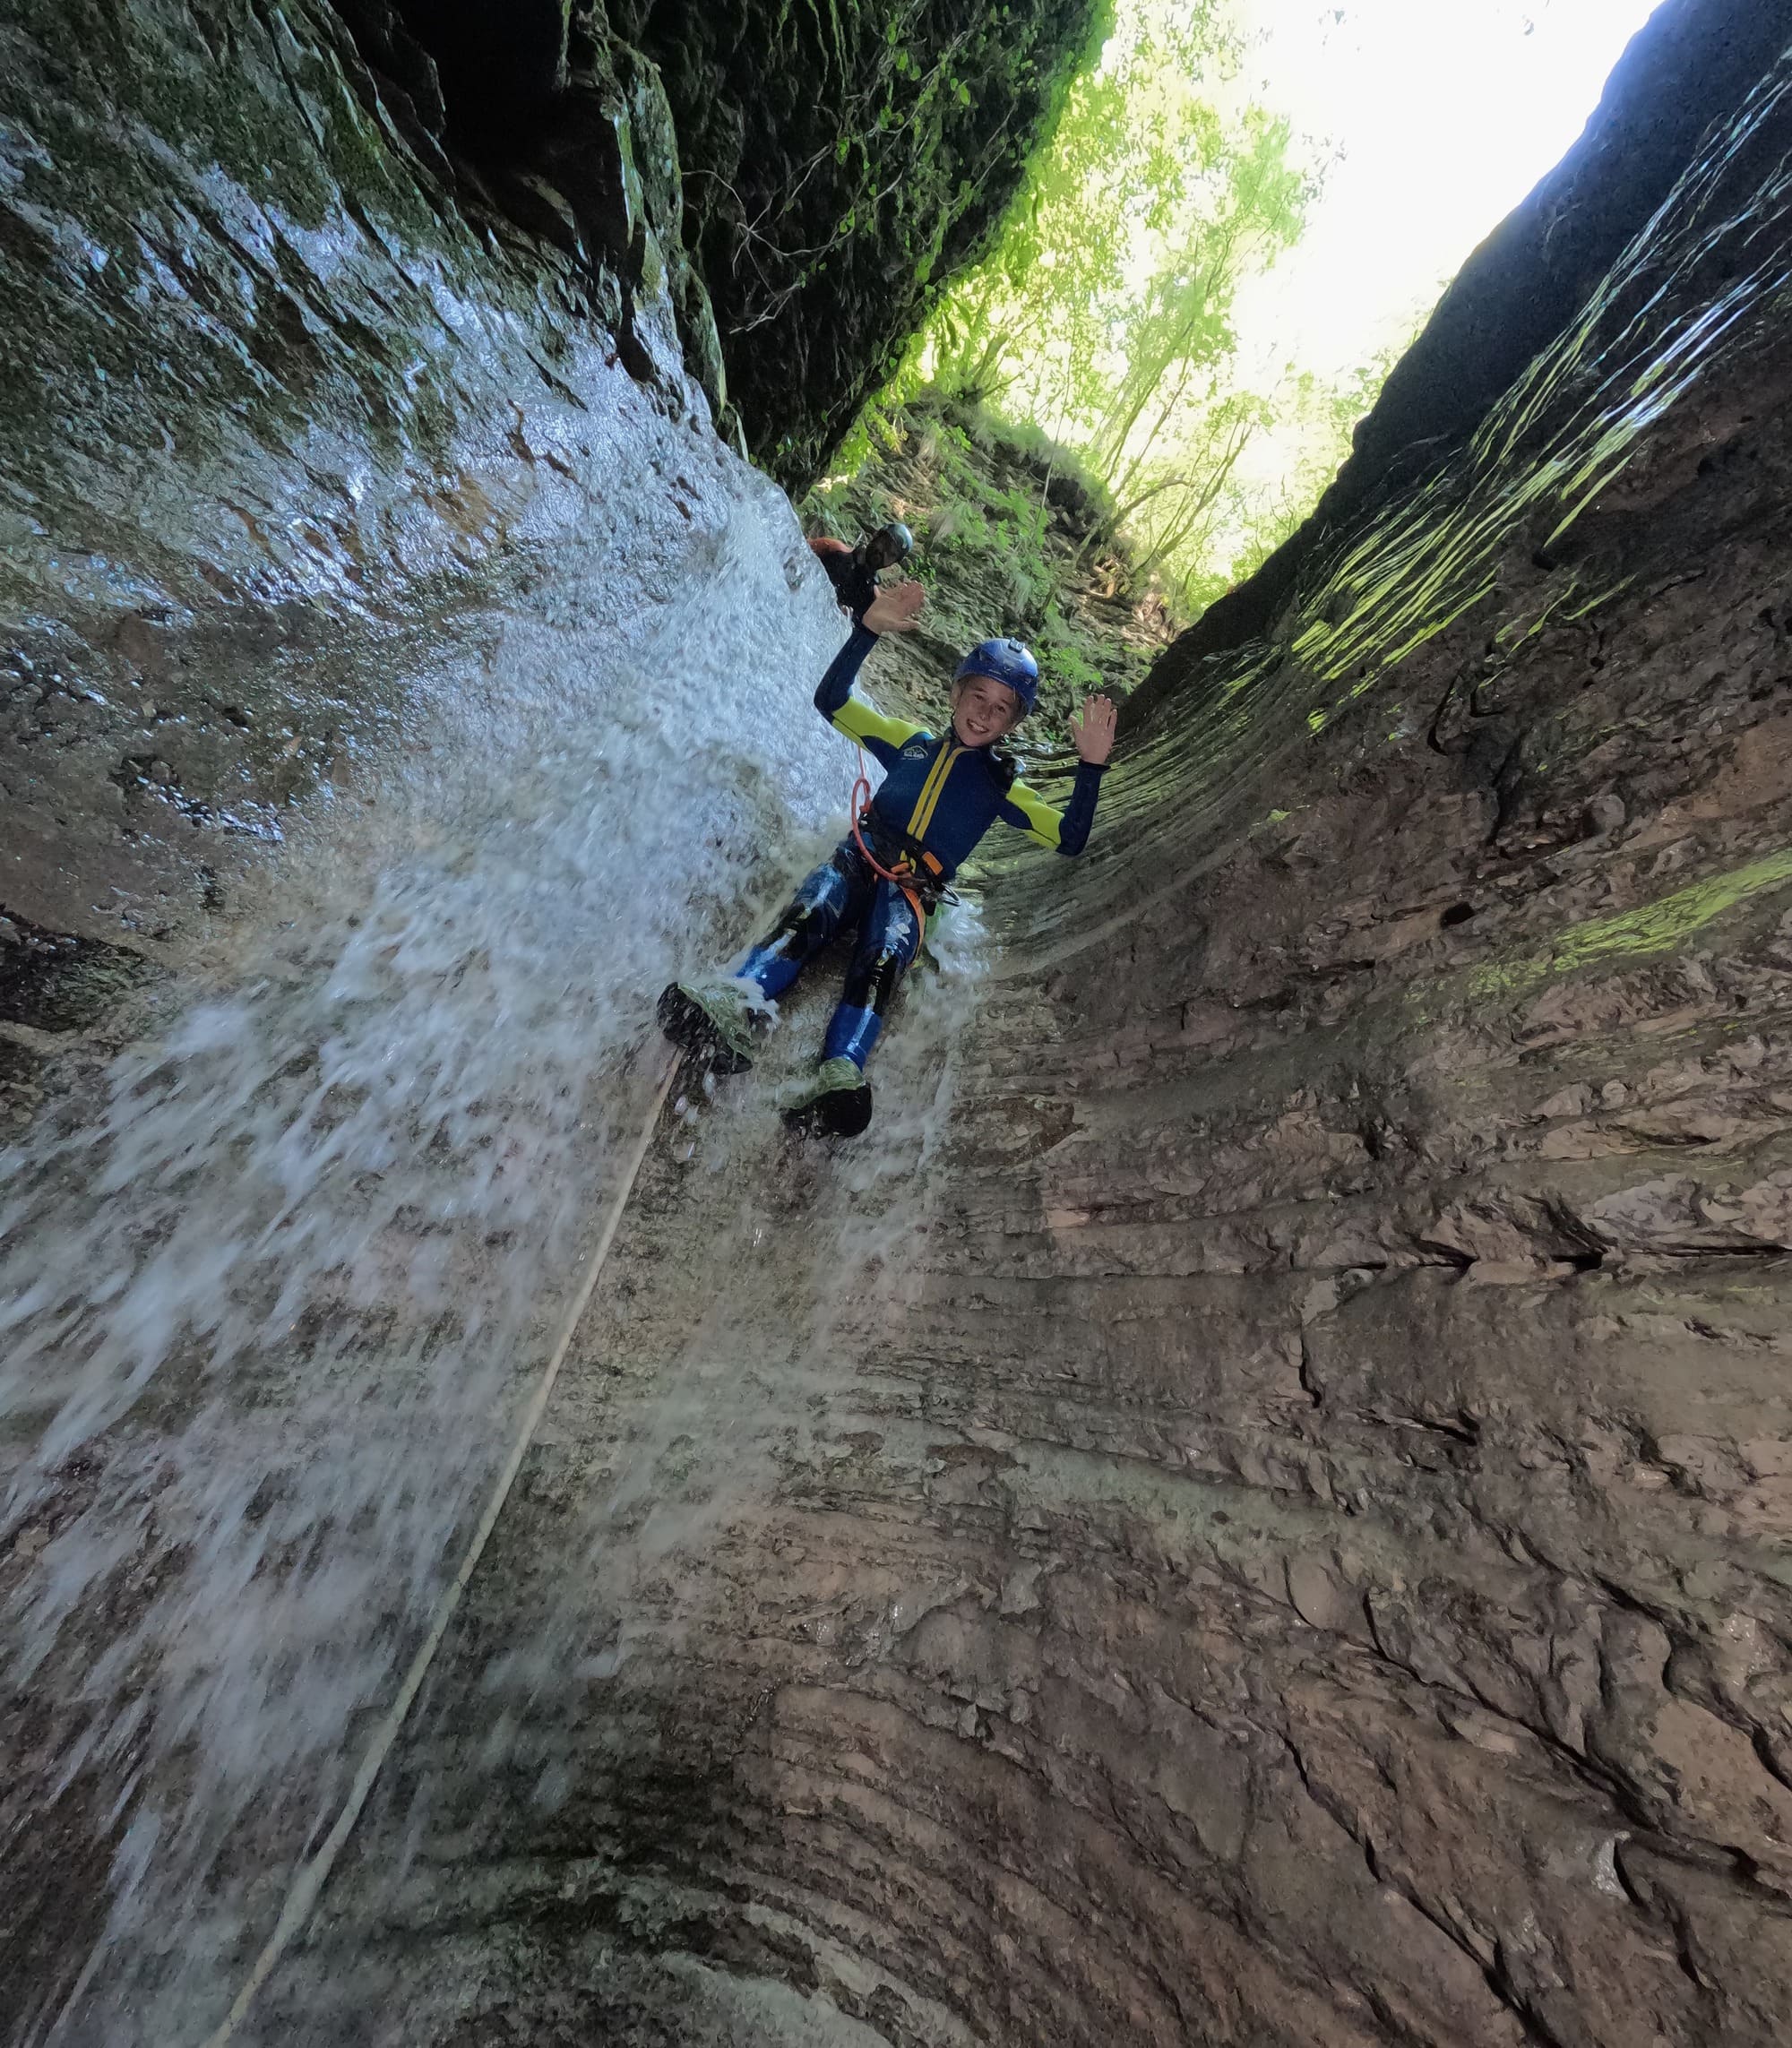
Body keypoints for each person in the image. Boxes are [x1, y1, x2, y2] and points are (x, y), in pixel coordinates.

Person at [658, 581, 1118, 1136]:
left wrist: (1090, 769)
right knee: (816, 905)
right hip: (863, 854)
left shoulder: (1001, 786)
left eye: (1001, 710)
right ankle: (736, 998)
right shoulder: (910, 742)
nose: (985, 714)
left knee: (882, 955)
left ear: (1011, 725)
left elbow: (1068, 838)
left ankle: (842, 1070)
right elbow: (831, 701)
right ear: (956, 694)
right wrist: (867, 630)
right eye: (978, 696)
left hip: (912, 887)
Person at [808, 521, 914, 623]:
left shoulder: (873, 600)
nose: (883, 553)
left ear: (893, 563)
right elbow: (797, 551)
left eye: (891, 554)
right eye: (885, 544)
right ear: (876, 535)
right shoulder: (832, 548)